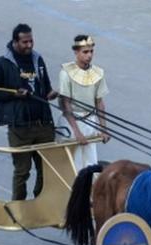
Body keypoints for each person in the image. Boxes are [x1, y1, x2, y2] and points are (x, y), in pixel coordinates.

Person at [0, 23, 58, 200]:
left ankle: (41, 202)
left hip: (43, 125)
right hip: (20, 128)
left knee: (46, 169)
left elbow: (46, 87)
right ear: (15, 42)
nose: (29, 45)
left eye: (31, 41)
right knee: (22, 171)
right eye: (25, 42)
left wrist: (52, 93)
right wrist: (14, 94)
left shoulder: (38, 60)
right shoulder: (2, 63)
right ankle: (18, 206)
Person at [58, 34, 111, 172]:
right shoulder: (66, 74)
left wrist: (103, 129)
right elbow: (66, 104)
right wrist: (77, 132)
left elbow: (99, 103)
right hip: (71, 124)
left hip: (89, 122)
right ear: (76, 52)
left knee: (90, 165)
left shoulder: (98, 73)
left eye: (91, 51)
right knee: (73, 166)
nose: (89, 55)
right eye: (85, 52)